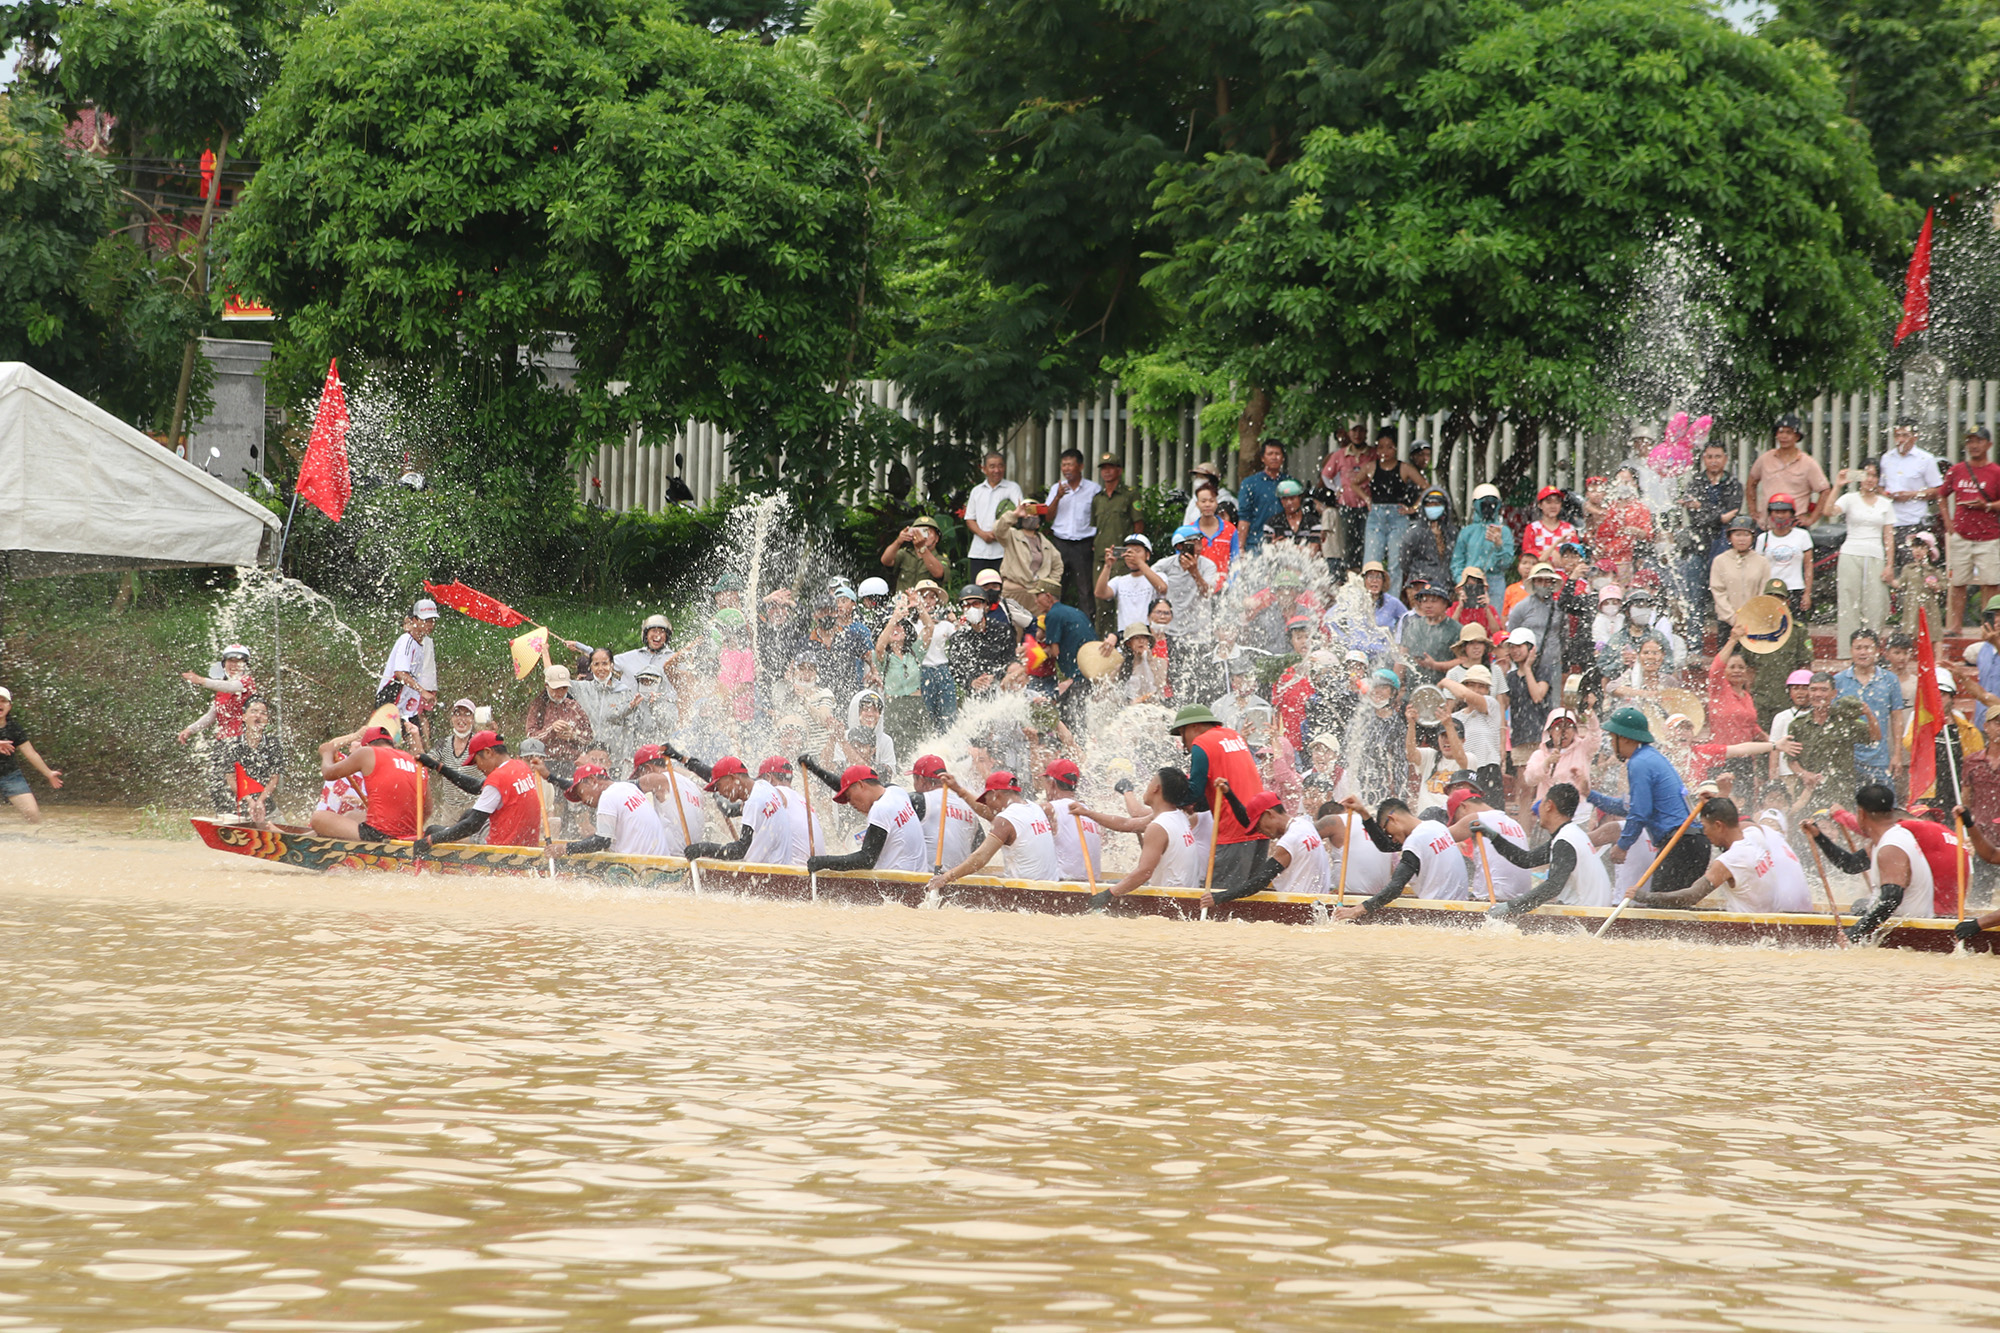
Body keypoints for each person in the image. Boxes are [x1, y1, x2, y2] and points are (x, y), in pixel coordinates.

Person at [1585, 707, 1709, 897]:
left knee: (1661, 909)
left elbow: (1640, 812)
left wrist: (1623, 845)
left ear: (1625, 738)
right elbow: (1627, 807)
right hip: (1691, 842)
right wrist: (1589, 794)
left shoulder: (1639, 763)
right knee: (1672, 908)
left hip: (1680, 844)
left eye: (1612, 738)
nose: (1611, 743)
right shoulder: (1649, 757)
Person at [1803, 783, 1954, 938]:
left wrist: (1853, 934)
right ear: (1891, 811)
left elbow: (1891, 900)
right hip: (1896, 927)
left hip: (1904, 933)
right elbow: (1850, 864)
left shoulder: (1891, 847)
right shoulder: (1890, 837)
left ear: (1861, 814)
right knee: (1859, 905)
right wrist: (1818, 836)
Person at [1632, 796, 1811, 912]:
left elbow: (1691, 896)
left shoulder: (1729, 861)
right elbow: (1740, 820)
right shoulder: (1755, 834)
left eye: (1705, 827)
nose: (1704, 833)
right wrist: (1717, 800)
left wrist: (1643, 896)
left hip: (1745, 932)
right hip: (1768, 921)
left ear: (1718, 825)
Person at [1075, 767, 1208, 902]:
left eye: (1150, 781)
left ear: (1156, 788)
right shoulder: (1178, 815)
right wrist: (1087, 813)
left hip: (1171, 901)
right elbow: (1126, 824)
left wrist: (1106, 895)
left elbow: (1144, 872)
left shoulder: (1158, 826)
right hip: (1185, 898)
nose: (1147, 786)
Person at [1483, 784, 1618, 915]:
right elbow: (1526, 859)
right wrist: (1493, 836)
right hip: (1591, 913)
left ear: (1549, 805)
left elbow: (1553, 886)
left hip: (1588, 916)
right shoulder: (1570, 834)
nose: (1537, 809)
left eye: (1541, 803)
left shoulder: (1566, 840)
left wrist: (1511, 907)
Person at [1331, 796, 1471, 919]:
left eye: (1388, 833)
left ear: (1392, 819)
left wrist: (1356, 910)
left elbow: (1396, 887)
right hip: (1461, 910)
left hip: (1438, 915)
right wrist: (1364, 813)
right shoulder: (1436, 827)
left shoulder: (1415, 840)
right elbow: (1386, 846)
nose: (1392, 839)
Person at [926, 770, 1061, 887]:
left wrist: (946, 877)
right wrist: (959, 791)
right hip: (1050, 887)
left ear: (996, 794)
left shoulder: (1005, 820)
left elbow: (980, 859)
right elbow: (988, 813)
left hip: (1026, 893)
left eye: (986, 799)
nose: (987, 805)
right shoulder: (1034, 808)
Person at [415, 731, 546, 851]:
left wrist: (431, 840)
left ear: (488, 752)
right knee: (469, 813)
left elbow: (472, 825)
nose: (477, 767)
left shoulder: (497, 779)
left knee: (433, 830)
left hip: (500, 850)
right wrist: (438, 766)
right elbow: (475, 786)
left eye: (476, 761)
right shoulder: (520, 766)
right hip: (524, 843)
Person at [798, 761, 931, 874]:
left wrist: (823, 862)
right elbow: (846, 785)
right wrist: (815, 769)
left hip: (899, 886)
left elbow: (866, 860)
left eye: (849, 797)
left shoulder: (880, 809)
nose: (850, 803)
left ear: (861, 785)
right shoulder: (896, 791)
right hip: (919, 878)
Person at [1817, 462, 1896, 645]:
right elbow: (1828, 512)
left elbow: (1888, 537)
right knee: (1848, 602)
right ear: (1859, 476)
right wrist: (1838, 485)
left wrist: (1889, 565)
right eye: (1866, 474)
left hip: (1876, 556)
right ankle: (1847, 650)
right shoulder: (1849, 498)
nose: (1870, 479)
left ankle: (1872, 648)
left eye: (1874, 475)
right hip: (1850, 553)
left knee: (1876, 603)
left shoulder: (1885, 504)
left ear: (1879, 479)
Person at [310, 724, 426, 842]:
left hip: (380, 834)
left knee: (318, 817)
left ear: (366, 746)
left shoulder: (367, 753)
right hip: (411, 833)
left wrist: (326, 753)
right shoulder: (415, 762)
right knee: (351, 815)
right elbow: (427, 810)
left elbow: (328, 773)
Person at [1677, 440, 1744, 634]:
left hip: (1725, 548)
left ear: (1725, 459)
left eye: (1717, 456)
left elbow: (1732, 514)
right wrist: (1719, 516)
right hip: (1699, 546)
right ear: (1703, 459)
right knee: (1694, 600)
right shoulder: (1695, 484)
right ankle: (1695, 645)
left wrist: (1702, 507)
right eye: (1709, 457)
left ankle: (1727, 642)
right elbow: (1697, 518)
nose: (1713, 461)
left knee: (1727, 599)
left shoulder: (1733, 484)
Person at [1787, 673, 1878, 810]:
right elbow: (1791, 759)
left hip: (1840, 791)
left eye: (1823, 690)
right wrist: (1804, 774)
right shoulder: (1797, 725)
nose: (1818, 694)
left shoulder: (1845, 721)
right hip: (1808, 792)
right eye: (1813, 689)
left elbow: (1875, 737)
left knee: (1840, 822)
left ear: (1834, 693)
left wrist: (1869, 714)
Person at [1942, 426, 2000, 632]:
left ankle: (1989, 627)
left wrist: (1987, 506)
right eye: (1970, 441)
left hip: (1989, 537)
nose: (1973, 445)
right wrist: (1948, 523)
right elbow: (1941, 495)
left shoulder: (1996, 472)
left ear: (1989, 444)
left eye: (1978, 441)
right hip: (1961, 536)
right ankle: (1955, 626)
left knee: (1990, 583)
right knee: (1958, 582)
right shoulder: (1957, 470)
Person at [547, 763, 665, 859]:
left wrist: (564, 849)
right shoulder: (628, 787)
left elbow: (602, 841)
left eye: (580, 793)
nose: (582, 800)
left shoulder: (607, 796)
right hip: (661, 861)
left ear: (592, 780)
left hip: (642, 866)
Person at [1834, 629, 1903, 790]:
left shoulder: (1890, 680)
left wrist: (1897, 754)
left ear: (1877, 651)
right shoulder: (1838, 680)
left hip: (1879, 757)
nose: (1863, 652)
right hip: (1847, 757)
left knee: (1883, 801)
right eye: (1858, 648)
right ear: (1851, 650)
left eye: (1868, 648)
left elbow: (1897, 717)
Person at [1041, 447, 1101, 618]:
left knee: (1085, 589)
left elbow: (1099, 517)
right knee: (1057, 587)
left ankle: (1087, 626)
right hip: (1060, 543)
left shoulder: (1093, 489)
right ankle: (1055, 622)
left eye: (1070, 465)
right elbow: (1047, 517)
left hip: (1083, 544)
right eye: (1063, 465)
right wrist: (1058, 497)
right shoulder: (1056, 488)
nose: (1066, 469)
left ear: (1080, 466)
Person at [1444, 787, 1531, 901]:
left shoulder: (1476, 818)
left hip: (1492, 898)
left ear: (1464, 806)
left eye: (1456, 819)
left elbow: (1435, 837)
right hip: (1522, 899)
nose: (1459, 823)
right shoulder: (1514, 824)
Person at [1360, 432, 1423, 592]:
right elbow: (1354, 483)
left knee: (1396, 563)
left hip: (1398, 516)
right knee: (1371, 561)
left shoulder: (1404, 468)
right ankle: (1369, 597)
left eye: (1389, 447)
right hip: (1376, 515)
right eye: (1381, 447)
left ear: (1395, 448)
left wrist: (1413, 508)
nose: (1385, 451)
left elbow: (1426, 487)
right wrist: (1366, 498)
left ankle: (1392, 599)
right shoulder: (1371, 467)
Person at [1746, 413, 1831, 525]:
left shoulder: (1808, 463)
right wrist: (1753, 511)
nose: (1784, 436)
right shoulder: (1765, 458)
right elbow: (1751, 483)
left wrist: (1812, 519)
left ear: (1797, 436)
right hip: (1767, 525)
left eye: (1789, 432)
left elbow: (1825, 491)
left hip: (1795, 525)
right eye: (1780, 432)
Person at [374, 601, 439, 744]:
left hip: (406, 706)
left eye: (432, 620)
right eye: (426, 620)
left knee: (416, 745)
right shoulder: (407, 641)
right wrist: (423, 692)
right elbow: (400, 673)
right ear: (414, 620)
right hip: (391, 700)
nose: (430, 624)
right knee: (385, 745)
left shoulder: (420, 644)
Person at [1438, 663, 1504, 801]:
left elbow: (1464, 695)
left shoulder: (1491, 706)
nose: (1476, 690)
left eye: (1481, 686)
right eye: (1471, 685)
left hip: (1488, 770)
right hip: (1462, 772)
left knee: (1489, 812)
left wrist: (1445, 681)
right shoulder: (1455, 718)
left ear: (1488, 690)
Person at [627, 744, 707, 856]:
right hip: (692, 857)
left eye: (639, 774)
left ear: (648, 768)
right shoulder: (693, 785)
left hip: (671, 860)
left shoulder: (659, 779)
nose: (639, 777)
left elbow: (621, 789)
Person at [1091, 452, 1143, 614]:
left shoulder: (1130, 495)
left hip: (1122, 556)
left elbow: (1138, 524)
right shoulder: (1098, 498)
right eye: (1103, 468)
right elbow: (1095, 527)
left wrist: (1134, 551)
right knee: (1101, 603)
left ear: (1119, 470)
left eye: (1111, 467)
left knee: (1123, 601)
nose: (1106, 471)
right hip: (1101, 557)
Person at [0, 686, 61, 823]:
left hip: (9, 775)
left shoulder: (14, 728)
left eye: (3, 701)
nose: (0, 704)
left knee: (32, 815)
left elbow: (31, 753)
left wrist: (48, 773)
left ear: (10, 706)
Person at [1879, 416, 1943, 544]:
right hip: (1889, 520)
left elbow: (1938, 490)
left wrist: (1911, 495)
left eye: (1905, 435)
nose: (1901, 440)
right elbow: (1880, 486)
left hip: (1914, 520)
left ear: (1915, 437)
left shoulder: (1926, 459)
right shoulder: (1886, 458)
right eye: (1897, 435)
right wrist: (1887, 495)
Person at [1039, 758, 1103, 883]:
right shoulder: (1089, 812)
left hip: (1064, 886)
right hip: (1091, 885)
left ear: (1052, 783)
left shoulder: (1049, 809)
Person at [177, 644, 256, 746]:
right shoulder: (221, 690)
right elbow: (211, 715)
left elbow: (232, 687)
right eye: (230, 661)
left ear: (246, 665)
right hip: (224, 740)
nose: (234, 665)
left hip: (243, 739)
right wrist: (190, 729)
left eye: (238, 661)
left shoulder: (247, 681)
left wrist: (201, 680)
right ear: (224, 664)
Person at [221, 697, 283, 823]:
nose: (258, 716)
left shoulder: (273, 744)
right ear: (244, 717)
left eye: (263, 713)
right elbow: (231, 778)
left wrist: (260, 801)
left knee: (283, 832)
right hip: (237, 808)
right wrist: (249, 801)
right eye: (254, 711)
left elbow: (274, 778)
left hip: (266, 807)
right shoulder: (233, 745)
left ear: (267, 720)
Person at [965, 451, 1024, 582]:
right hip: (979, 552)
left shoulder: (1013, 488)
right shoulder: (976, 491)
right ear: (984, 469)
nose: (997, 470)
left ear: (1005, 467)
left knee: (1002, 589)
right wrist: (983, 534)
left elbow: (1020, 513)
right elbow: (969, 519)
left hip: (1004, 552)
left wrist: (999, 532)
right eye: (992, 466)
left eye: (1000, 466)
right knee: (978, 589)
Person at [1320, 425, 1373, 570]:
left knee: (1367, 543)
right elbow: (1325, 475)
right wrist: (1336, 489)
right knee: (1347, 544)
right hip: (1346, 505)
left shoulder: (1372, 454)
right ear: (1349, 433)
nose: (1357, 434)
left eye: (1361, 430)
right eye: (1354, 431)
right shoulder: (1340, 454)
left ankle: (1365, 573)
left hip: (1367, 506)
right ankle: (1350, 574)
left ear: (1366, 433)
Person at [569, 647, 634, 765]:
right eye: (596, 664)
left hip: (615, 758)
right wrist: (545, 653)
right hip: (588, 756)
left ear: (612, 665)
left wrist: (627, 755)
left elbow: (629, 727)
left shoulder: (624, 693)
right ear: (590, 667)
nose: (600, 668)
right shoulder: (583, 689)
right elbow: (554, 680)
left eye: (604, 664)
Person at [1754, 494, 1815, 617]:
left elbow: (1808, 566)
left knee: (1796, 624)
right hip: (1771, 590)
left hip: (1795, 588)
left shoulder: (1802, 536)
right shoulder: (1763, 538)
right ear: (1770, 514)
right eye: (1776, 512)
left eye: (1784, 512)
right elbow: (1758, 568)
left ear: (1792, 514)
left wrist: (1807, 593)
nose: (1780, 516)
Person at [994, 499, 1064, 606]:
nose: (1030, 516)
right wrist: (1015, 514)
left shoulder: (1045, 543)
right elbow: (998, 529)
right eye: (1028, 512)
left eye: (1034, 514)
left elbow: (1058, 565)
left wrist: (1047, 585)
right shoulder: (1011, 535)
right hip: (1014, 592)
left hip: (1037, 594)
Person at [524, 664, 592, 768]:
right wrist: (551, 730)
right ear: (546, 685)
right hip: (545, 762)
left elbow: (589, 737)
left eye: (564, 688)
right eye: (556, 688)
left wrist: (573, 735)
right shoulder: (537, 707)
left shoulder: (574, 707)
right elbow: (530, 737)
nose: (560, 692)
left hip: (573, 762)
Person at [1398, 582, 1462, 685]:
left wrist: (1435, 665)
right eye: (1424, 601)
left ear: (1445, 604)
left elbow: (1464, 661)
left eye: (1433, 601)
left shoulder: (1456, 629)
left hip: (1443, 688)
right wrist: (1396, 685)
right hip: (1413, 689)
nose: (1428, 605)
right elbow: (1402, 658)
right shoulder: (1413, 626)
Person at [1096, 536, 1165, 631]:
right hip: (1126, 635)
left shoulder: (1159, 576)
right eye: (1128, 552)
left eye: (1136, 551)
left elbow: (1162, 588)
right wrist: (1107, 566)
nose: (1132, 555)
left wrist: (1139, 562)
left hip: (1150, 635)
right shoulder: (1119, 581)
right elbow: (1100, 593)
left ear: (1147, 555)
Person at [1237, 440, 1291, 552]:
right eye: (1270, 454)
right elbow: (1244, 517)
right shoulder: (1250, 483)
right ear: (1262, 458)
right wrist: (1240, 547)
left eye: (1277, 454)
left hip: (1285, 543)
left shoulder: (1290, 483)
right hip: (1256, 543)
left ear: (1283, 458)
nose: (1274, 457)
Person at [1399, 488, 1457, 591]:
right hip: (1420, 586)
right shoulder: (1414, 533)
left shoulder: (1452, 533)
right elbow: (1404, 562)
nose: (1433, 508)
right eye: (1429, 505)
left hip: (1446, 586)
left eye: (1437, 505)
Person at [881, 514, 947, 593]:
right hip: (904, 599)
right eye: (919, 532)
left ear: (936, 538)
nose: (923, 536)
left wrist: (922, 548)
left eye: (927, 532)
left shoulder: (940, 557)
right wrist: (898, 541)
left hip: (926, 600)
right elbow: (885, 561)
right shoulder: (905, 553)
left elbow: (938, 573)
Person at [1521, 486, 1579, 564]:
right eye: (1548, 502)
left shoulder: (1569, 529)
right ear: (1540, 505)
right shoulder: (1533, 528)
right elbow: (1528, 558)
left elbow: (1576, 557)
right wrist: (1552, 552)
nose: (1553, 506)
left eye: (1557, 502)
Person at [1363, 561, 1405, 629]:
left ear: (1383, 581)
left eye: (1378, 577)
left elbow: (1409, 621)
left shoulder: (1392, 602)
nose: (1374, 580)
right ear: (1364, 581)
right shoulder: (1354, 601)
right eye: (1370, 577)